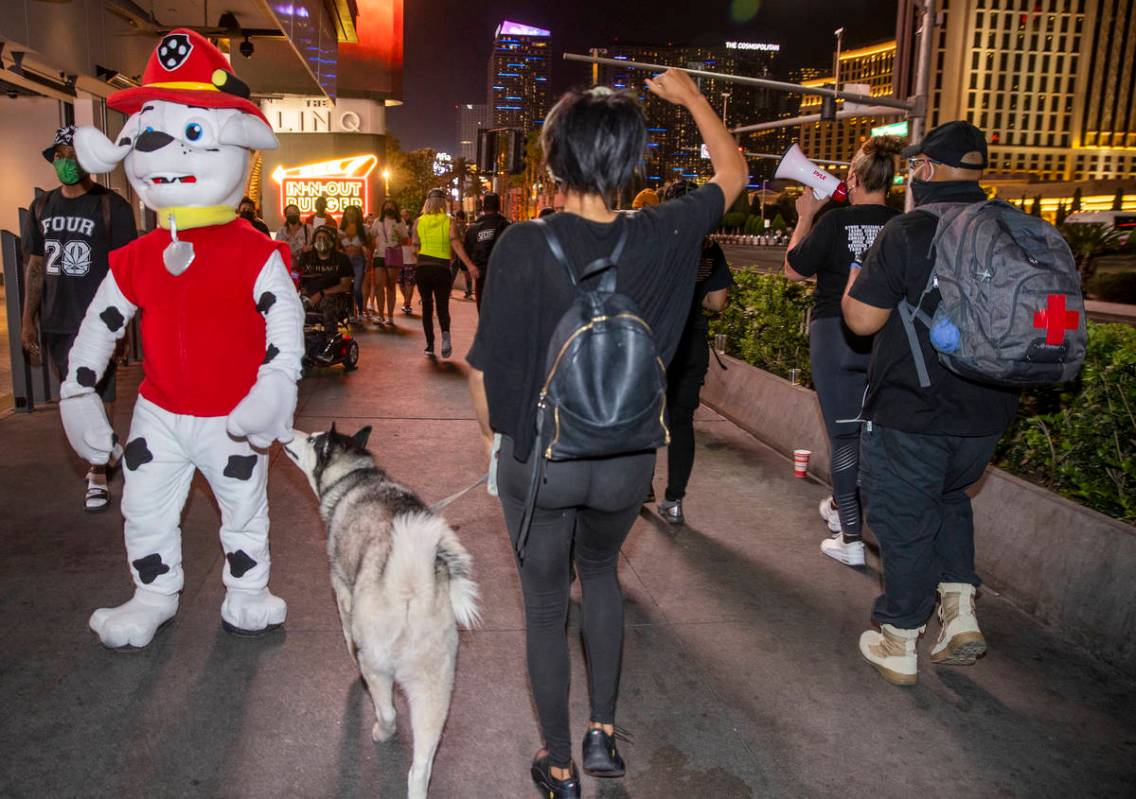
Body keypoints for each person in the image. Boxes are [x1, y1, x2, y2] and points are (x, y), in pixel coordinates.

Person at [467, 71, 746, 798]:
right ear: (631, 164)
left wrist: (499, 446)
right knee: (601, 578)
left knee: (543, 604)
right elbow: (734, 171)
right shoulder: (670, 230)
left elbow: (485, 377)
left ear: (555, 163)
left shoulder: (522, 246)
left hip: (545, 461)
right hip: (627, 459)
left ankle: (557, 765)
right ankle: (604, 736)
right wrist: (689, 100)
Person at [841, 121, 1020, 686]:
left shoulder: (910, 230)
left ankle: (898, 637)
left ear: (924, 170)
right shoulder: (1012, 229)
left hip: (911, 413)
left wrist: (855, 281)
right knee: (949, 499)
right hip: (986, 415)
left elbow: (862, 319)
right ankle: (961, 610)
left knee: (902, 518)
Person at [784, 136, 904, 567]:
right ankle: (842, 510)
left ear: (852, 177)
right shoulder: (901, 223)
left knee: (843, 438)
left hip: (834, 334)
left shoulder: (836, 223)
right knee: (870, 436)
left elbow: (793, 269)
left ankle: (850, 539)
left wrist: (807, 216)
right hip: (883, 337)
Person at [20, 124, 137, 511]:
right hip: (55, 320)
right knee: (72, 398)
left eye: (73, 155)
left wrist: (123, 330)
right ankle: (107, 449)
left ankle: (97, 472)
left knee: (93, 392)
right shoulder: (41, 207)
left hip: (96, 321)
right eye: (60, 155)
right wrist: (26, 321)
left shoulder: (111, 208)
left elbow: (126, 272)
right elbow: (35, 267)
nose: (66, 162)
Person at [653, 180, 734, 524]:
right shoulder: (710, 248)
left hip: (655, 342)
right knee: (682, 423)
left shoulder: (653, 241)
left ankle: (640, 487)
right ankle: (674, 501)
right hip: (692, 343)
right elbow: (718, 303)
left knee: (645, 417)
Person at [411, 189, 477, 358]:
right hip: (441, 268)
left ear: (427, 202)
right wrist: (470, 265)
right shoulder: (449, 221)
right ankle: (446, 338)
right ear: (443, 203)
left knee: (426, 306)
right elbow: (456, 244)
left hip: (423, 268)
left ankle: (430, 344)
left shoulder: (418, 221)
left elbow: (414, 248)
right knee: (442, 307)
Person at [299, 226, 353, 361]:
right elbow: (298, 276)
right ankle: (296, 343)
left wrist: (322, 293)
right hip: (310, 297)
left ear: (331, 241)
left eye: (325, 238)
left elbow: (345, 285)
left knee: (328, 302)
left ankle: (330, 345)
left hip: (335, 297)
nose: (321, 241)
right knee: (293, 305)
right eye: (318, 238)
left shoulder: (341, 259)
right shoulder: (307, 257)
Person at [463, 191, 510, 310]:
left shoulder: (473, 229)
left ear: (483, 207)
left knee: (484, 311)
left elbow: (466, 254)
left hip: (481, 275)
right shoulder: (507, 226)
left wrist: (468, 268)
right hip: (502, 276)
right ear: (499, 206)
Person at [370, 199, 405, 326]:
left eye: (391, 207)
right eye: (386, 207)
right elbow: (372, 236)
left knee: (390, 285)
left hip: (393, 255)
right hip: (379, 255)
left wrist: (398, 239)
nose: (389, 209)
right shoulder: (377, 222)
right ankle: (380, 315)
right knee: (379, 285)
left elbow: (406, 239)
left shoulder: (400, 222)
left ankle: (390, 316)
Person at [339, 204, 372, 323]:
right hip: (345, 261)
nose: (351, 215)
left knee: (357, 288)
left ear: (357, 215)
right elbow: (337, 248)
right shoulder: (340, 229)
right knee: (347, 288)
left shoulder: (364, 228)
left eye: (353, 213)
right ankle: (351, 313)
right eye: (348, 213)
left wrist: (369, 261)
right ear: (345, 215)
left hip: (359, 260)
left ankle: (361, 309)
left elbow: (369, 246)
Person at [275, 203, 311, 279]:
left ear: (299, 214)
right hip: (287, 270)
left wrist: (309, 248)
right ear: (285, 216)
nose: (293, 214)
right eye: (290, 213)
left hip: (306, 269)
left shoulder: (308, 229)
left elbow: (316, 244)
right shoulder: (281, 231)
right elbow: (277, 250)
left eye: (295, 212)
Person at [450, 209, 474, 299]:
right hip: (466, 251)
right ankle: (469, 292)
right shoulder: (468, 227)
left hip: (458, 251)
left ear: (458, 217)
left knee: (453, 271)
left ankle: (448, 290)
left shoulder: (456, 226)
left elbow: (454, 240)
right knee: (467, 272)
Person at [399, 207, 417, 314]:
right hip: (399, 257)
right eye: (402, 215)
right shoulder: (397, 226)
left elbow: (414, 240)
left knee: (409, 282)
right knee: (401, 282)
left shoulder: (413, 226)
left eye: (405, 215)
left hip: (411, 258)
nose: (404, 217)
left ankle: (407, 302)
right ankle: (406, 299)